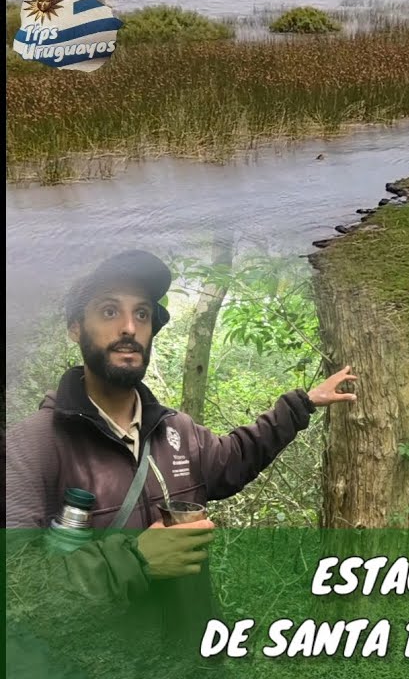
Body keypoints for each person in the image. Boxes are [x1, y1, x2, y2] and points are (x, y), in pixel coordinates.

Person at [4, 250, 357, 625]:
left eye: (142, 314)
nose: (129, 327)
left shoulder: (177, 431)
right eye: (109, 311)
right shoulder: (32, 446)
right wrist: (136, 561)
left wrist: (302, 404)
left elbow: (236, 457)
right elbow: (17, 587)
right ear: (76, 327)